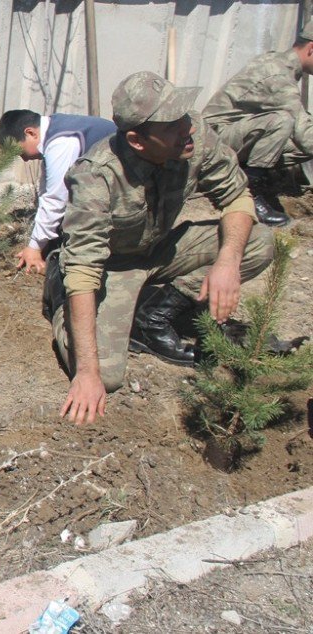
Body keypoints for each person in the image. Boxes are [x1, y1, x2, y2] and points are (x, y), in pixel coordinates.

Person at [53, 71, 274, 425]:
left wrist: (227, 262)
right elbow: (84, 269)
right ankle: (58, 296)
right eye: (172, 125)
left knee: (258, 242)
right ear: (137, 141)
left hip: (161, 249)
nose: (188, 127)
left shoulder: (194, 136)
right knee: (105, 376)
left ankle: (153, 312)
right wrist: (87, 372)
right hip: (113, 265)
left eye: (184, 116)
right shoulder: (97, 175)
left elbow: (237, 196)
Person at [201, 25, 313, 227]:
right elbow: (305, 136)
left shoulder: (281, 64)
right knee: (282, 121)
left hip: (233, 134)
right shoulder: (278, 76)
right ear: (311, 49)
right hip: (212, 140)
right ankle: (249, 192)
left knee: (292, 131)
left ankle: (248, 173)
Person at [0, 109, 116, 274]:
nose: (23, 158)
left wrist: (35, 247)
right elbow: (46, 190)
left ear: (30, 133)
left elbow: (56, 198)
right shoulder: (53, 132)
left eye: (20, 151)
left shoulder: (61, 143)